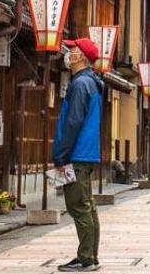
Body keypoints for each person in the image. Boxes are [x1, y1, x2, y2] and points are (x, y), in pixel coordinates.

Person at [53, 38, 104, 272]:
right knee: (88, 205)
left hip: (77, 153)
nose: (68, 53)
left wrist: (61, 155)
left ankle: (86, 258)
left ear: (81, 56)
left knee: (79, 206)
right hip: (86, 152)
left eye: (72, 50)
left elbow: (72, 122)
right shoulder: (91, 83)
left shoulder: (81, 83)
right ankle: (89, 256)